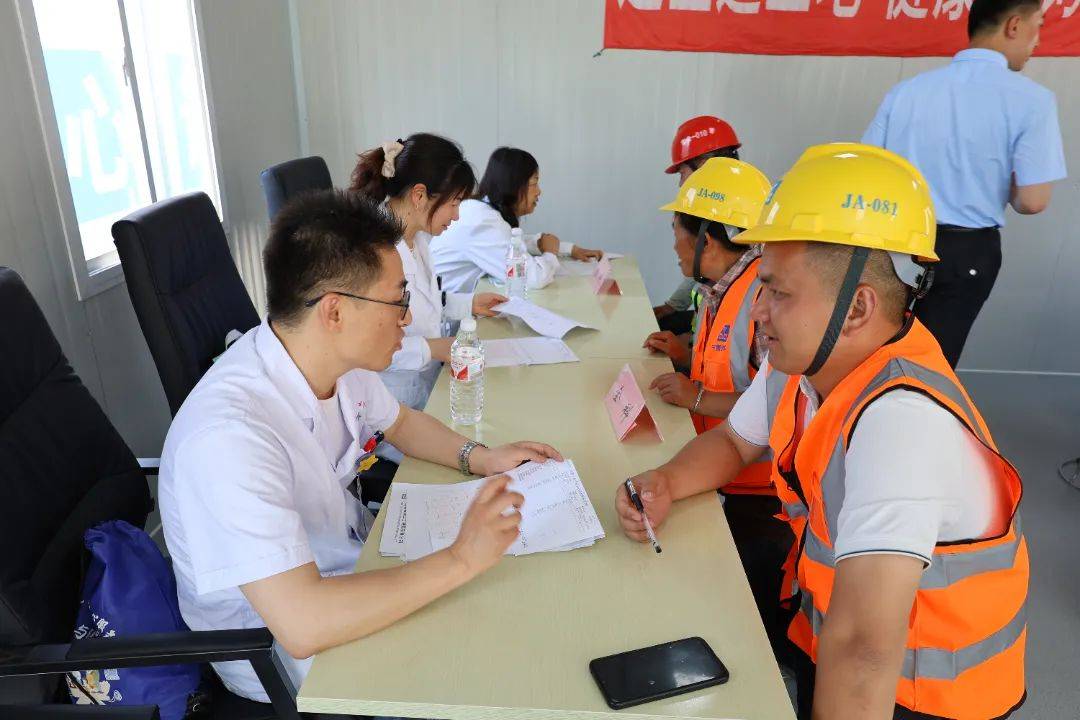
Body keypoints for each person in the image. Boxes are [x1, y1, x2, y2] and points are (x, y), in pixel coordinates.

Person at [616, 144, 1028, 720]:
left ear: (856, 309)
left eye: (779, 292)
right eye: (761, 286)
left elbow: (864, 654)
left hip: (923, 696)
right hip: (835, 637)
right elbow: (733, 441)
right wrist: (664, 480)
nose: (757, 312)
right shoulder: (803, 364)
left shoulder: (900, 422)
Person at [158, 190, 563, 704]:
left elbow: (401, 423)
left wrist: (482, 457)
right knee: (488, 656)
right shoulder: (228, 437)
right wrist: (461, 558)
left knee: (508, 602)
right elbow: (303, 624)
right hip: (283, 652)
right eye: (398, 300)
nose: (407, 317)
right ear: (334, 311)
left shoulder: (333, 363)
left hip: (349, 563)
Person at [862, 0, 1066, 368]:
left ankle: (846, 421)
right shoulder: (1033, 101)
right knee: (930, 365)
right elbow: (1033, 201)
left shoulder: (907, 92)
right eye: (1039, 25)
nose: (1038, 42)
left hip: (894, 241)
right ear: (1014, 26)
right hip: (965, 250)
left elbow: (868, 171)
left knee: (871, 353)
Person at [647, 157, 795, 652]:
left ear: (707, 239)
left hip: (757, 491)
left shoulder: (759, 297)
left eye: (677, 231)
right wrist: (684, 354)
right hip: (717, 456)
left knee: (737, 619)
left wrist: (700, 397)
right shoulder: (719, 288)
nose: (673, 244)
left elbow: (771, 399)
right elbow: (735, 365)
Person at [349, 133, 507, 413]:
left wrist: (468, 303)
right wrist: (432, 348)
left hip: (428, 385)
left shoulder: (417, 238)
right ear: (419, 195)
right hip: (390, 403)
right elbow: (363, 347)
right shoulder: (374, 251)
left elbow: (425, 303)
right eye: (454, 203)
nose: (457, 216)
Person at [430, 146, 602, 292]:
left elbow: (508, 242)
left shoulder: (482, 211)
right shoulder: (483, 222)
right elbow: (532, 278)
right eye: (534, 183)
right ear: (514, 185)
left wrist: (568, 249)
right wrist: (550, 254)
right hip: (446, 317)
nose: (539, 191)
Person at [652, 115, 742, 338]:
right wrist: (673, 306)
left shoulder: (736, 214)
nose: (681, 184)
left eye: (683, 173)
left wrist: (689, 355)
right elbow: (700, 263)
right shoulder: (726, 207)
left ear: (704, 166)